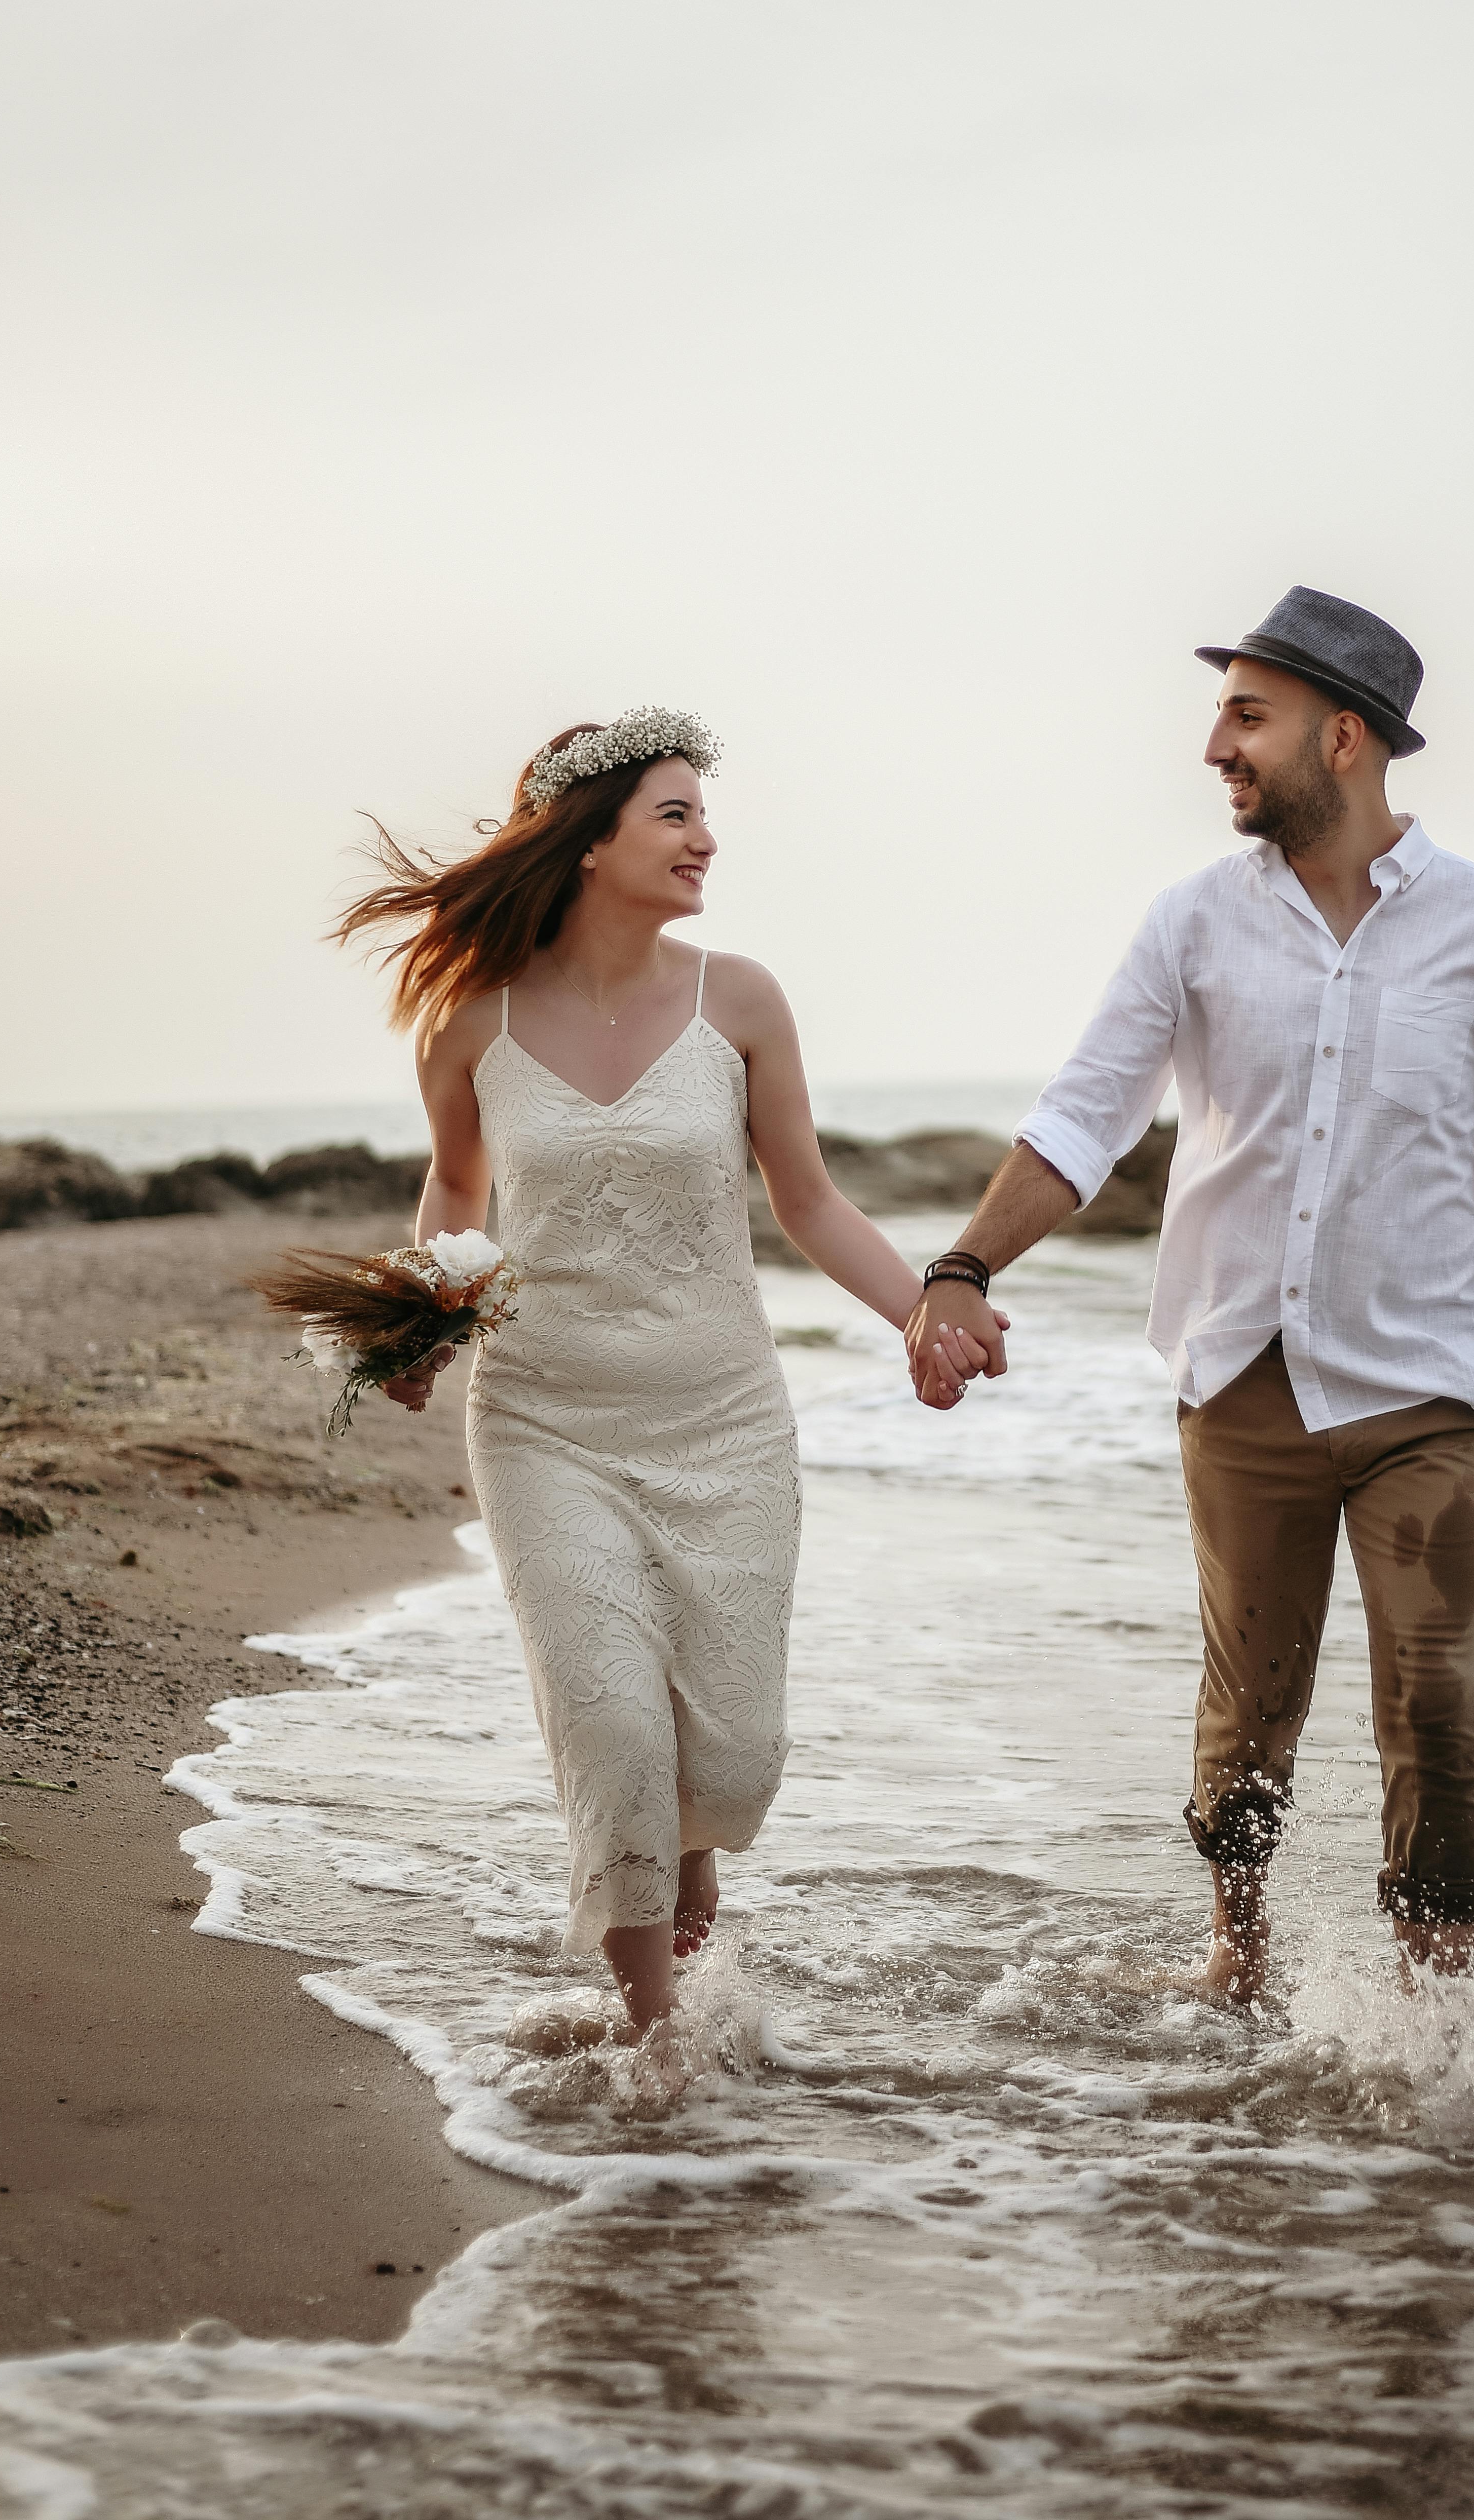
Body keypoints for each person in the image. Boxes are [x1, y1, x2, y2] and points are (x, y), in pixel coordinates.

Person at [904, 589, 1474, 1998]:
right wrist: (962, 1268)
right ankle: (1236, 1962)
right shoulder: (1190, 924)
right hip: (1244, 1374)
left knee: (1435, 1705)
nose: (1215, 748)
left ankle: (1436, 2030)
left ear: (1346, 738)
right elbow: (1084, 1118)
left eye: (1247, 716)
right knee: (1253, 1711)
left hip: (1431, 1387)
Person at [338, 710, 936, 2049]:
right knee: (615, 1735)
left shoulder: (741, 1001)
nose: (704, 839)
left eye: (701, 816)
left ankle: (684, 1851)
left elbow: (812, 1200)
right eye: (675, 814)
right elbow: (458, 1189)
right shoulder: (468, 1021)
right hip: (545, 1425)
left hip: (723, 1425)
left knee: (725, 1762)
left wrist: (926, 1313)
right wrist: (419, 1320)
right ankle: (652, 2048)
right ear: (588, 836)